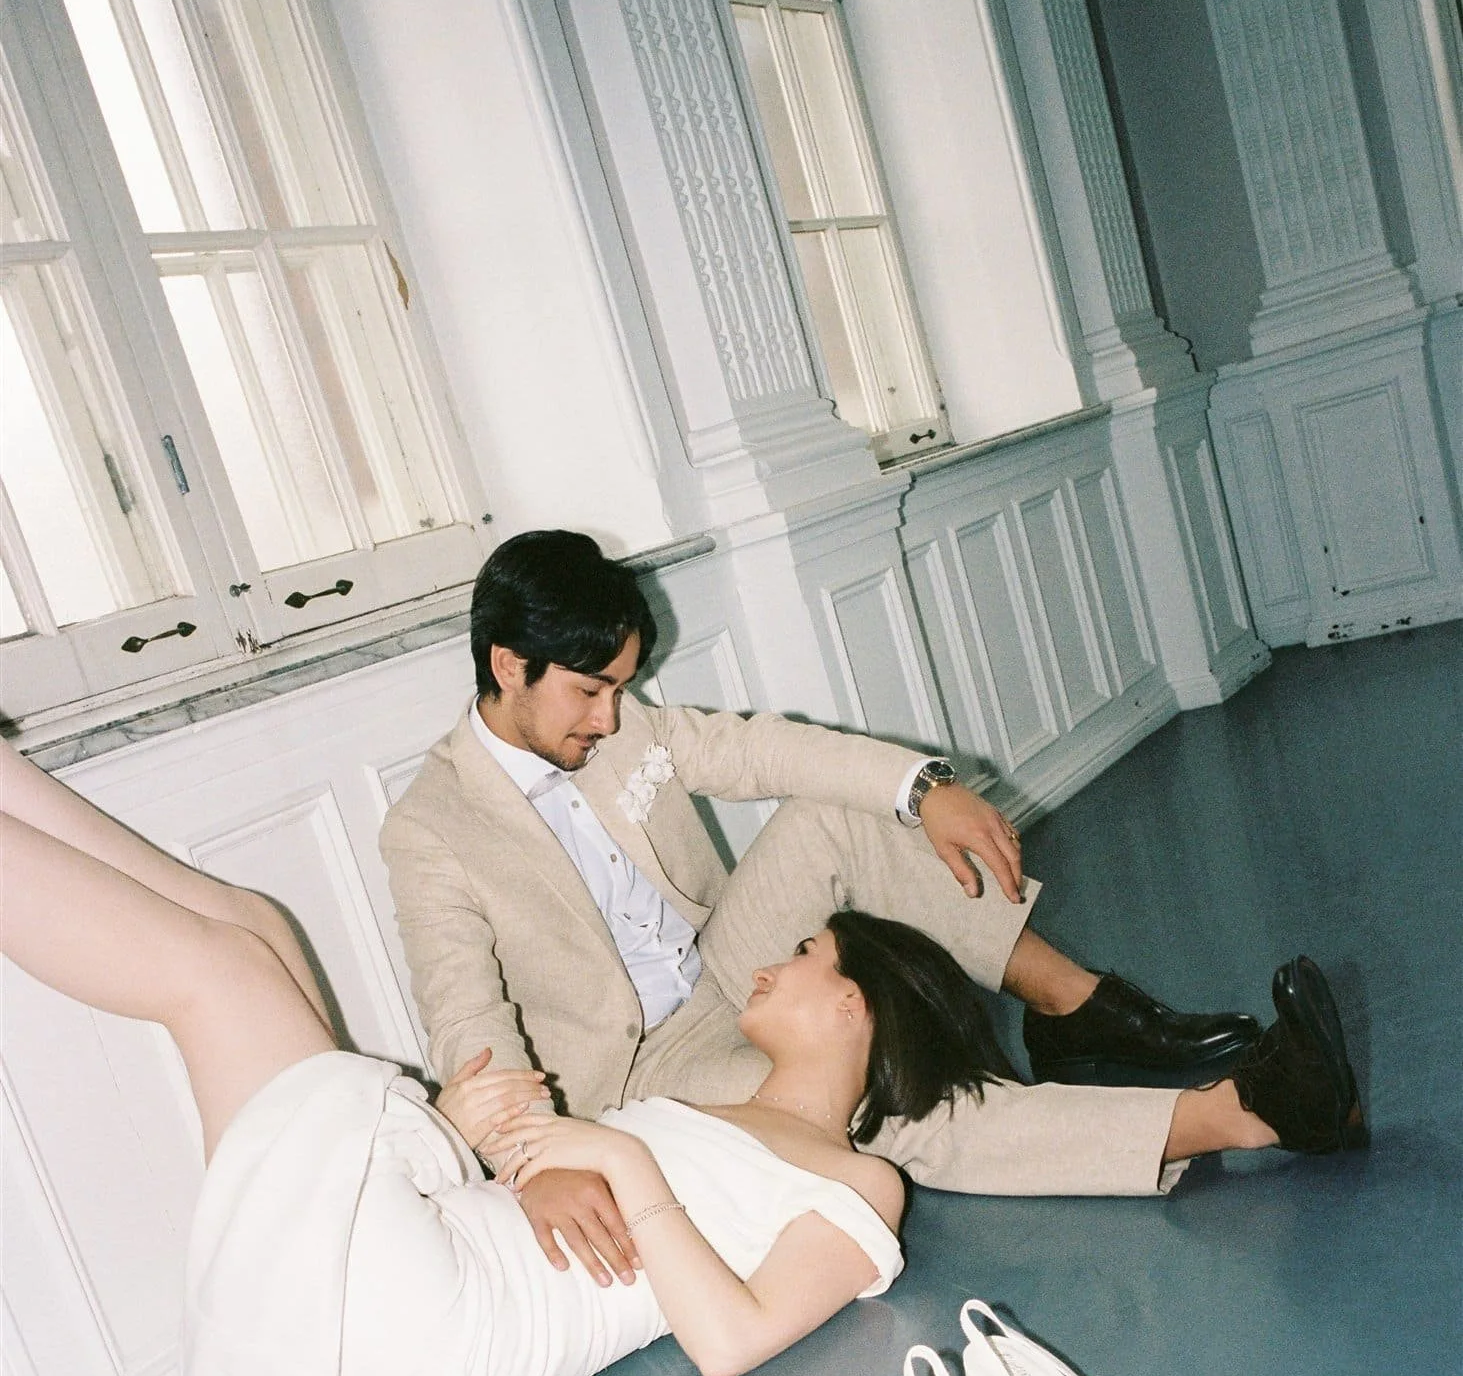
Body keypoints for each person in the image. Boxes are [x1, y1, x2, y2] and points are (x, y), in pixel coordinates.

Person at [0, 738, 1026, 1376]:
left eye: (804, 953)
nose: (772, 960)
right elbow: (546, 1194)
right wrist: (463, 1124)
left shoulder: (859, 1180)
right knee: (254, 923)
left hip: (440, 1345)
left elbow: (730, 1340)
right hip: (444, 1255)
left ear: (852, 1005)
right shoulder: (705, 1103)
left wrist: (617, 1160)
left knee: (223, 974)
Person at [380, 531, 1362, 1288]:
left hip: (726, 965)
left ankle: (1075, 1007)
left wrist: (922, 787)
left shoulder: (619, 721)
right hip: (641, 1070)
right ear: (508, 665)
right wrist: (536, 1159)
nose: (607, 717)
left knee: (836, 814)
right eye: (589, 692)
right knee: (878, 1091)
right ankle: (1240, 1114)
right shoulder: (431, 827)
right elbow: (467, 1016)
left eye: (619, 690)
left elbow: (766, 749)